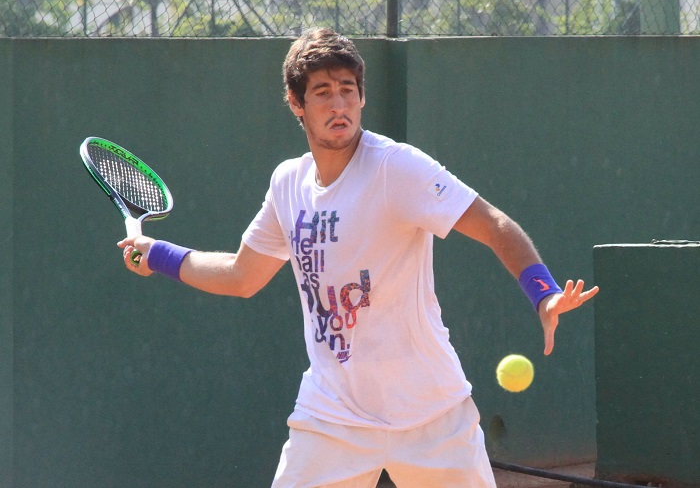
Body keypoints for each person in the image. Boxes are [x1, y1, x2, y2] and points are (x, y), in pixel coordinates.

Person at [118, 27, 598, 488]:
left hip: (430, 415)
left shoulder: (396, 168)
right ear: (296, 104)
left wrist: (544, 294)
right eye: (323, 92)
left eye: (348, 89)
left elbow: (494, 224)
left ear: (362, 97)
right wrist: (158, 254)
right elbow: (243, 276)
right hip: (333, 417)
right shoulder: (288, 183)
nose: (339, 103)